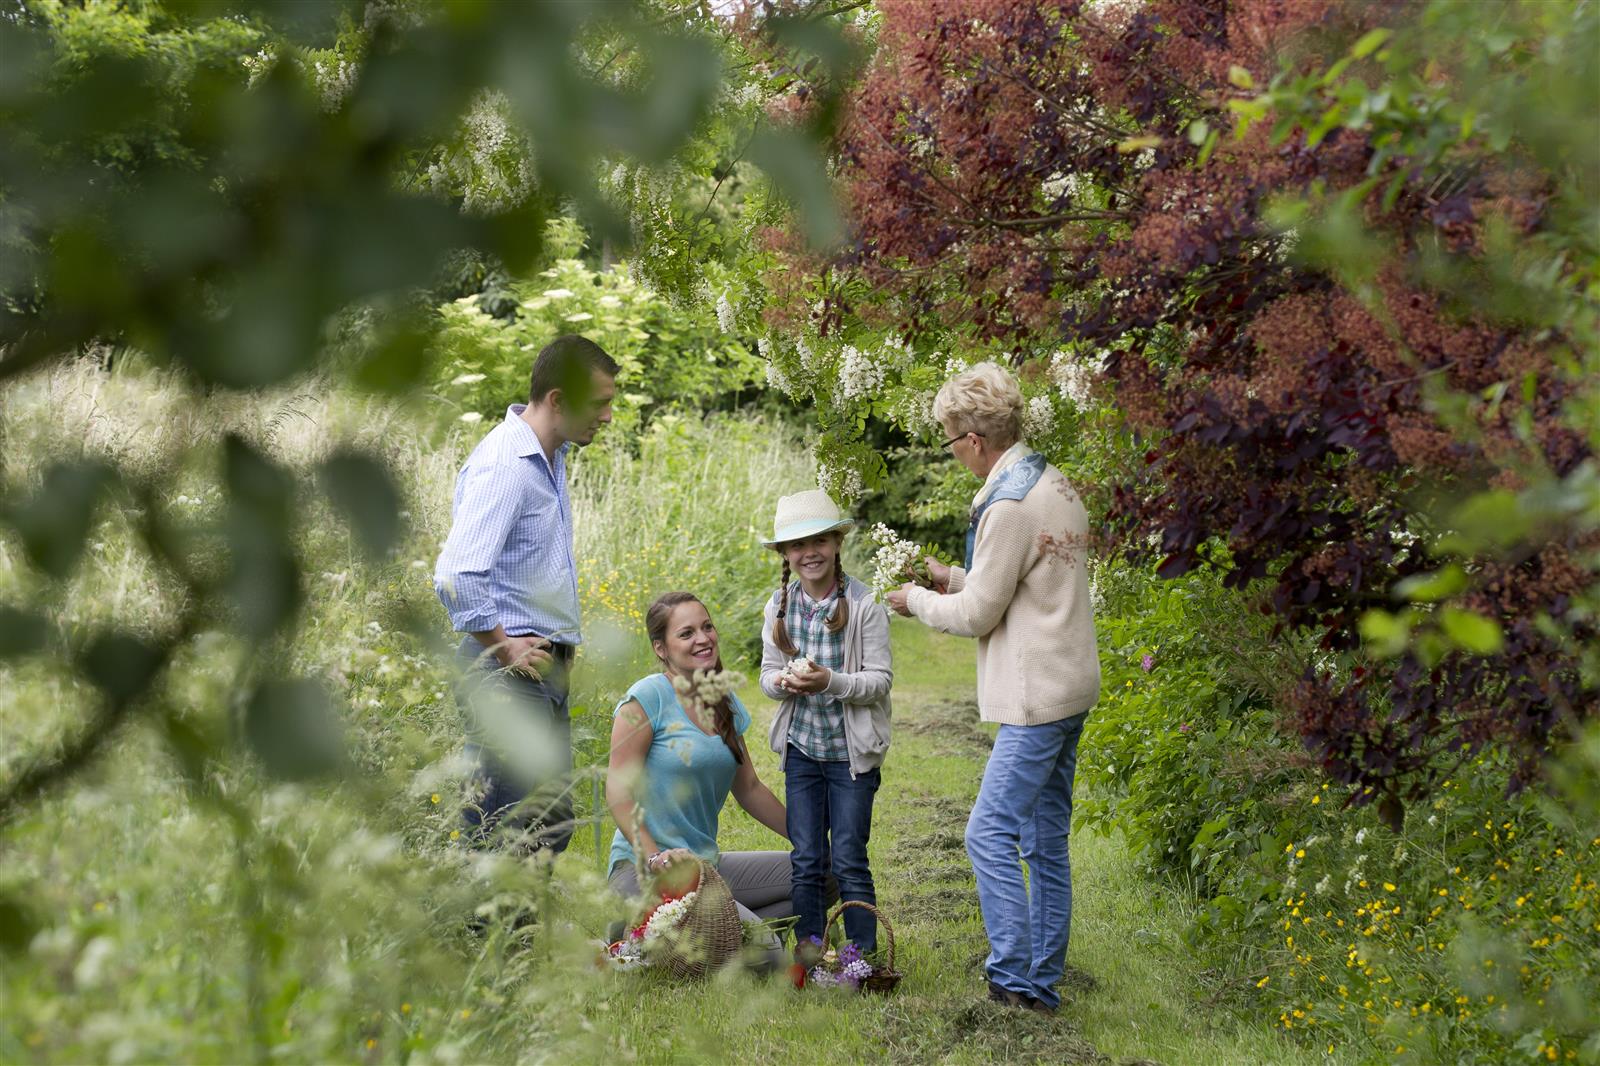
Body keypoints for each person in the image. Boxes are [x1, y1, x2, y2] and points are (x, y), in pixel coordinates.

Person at [886, 362, 1100, 1014]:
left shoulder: (1005, 504)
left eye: (951, 441)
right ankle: (1040, 986)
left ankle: (1011, 978)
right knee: (1044, 842)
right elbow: (1015, 587)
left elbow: (979, 615)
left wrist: (917, 598)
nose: (953, 455)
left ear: (974, 438)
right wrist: (950, 574)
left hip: (1036, 699)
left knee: (988, 834)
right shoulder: (1050, 481)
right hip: (1071, 687)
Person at [433, 334, 618, 853]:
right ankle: (480, 936)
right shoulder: (507, 466)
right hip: (505, 673)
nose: (607, 416)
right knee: (507, 838)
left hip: (541, 671)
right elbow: (457, 575)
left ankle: (520, 938)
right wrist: (504, 643)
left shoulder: (547, 457)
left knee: (548, 830)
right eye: (600, 403)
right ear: (558, 399)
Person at [606, 591, 810, 954]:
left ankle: (703, 936)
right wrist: (656, 859)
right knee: (769, 955)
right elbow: (618, 793)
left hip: (706, 868)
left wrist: (810, 841)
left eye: (707, 627)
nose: (702, 639)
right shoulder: (645, 698)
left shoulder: (723, 700)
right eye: (686, 633)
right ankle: (640, 930)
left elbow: (748, 787)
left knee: (816, 874)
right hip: (643, 871)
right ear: (661, 648)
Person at [757, 490, 892, 959]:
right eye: (796, 545)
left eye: (818, 541)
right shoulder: (779, 605)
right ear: (784, 554)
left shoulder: (864, 603)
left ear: (837, 543)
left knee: (850, 857)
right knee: (806, 859)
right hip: (803, 751)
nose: (808, 552)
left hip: (850, 756)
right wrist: (783, 682)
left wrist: (828, 682)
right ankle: (810, 951)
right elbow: (767, 675)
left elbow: (879, 680)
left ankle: (861, 956)